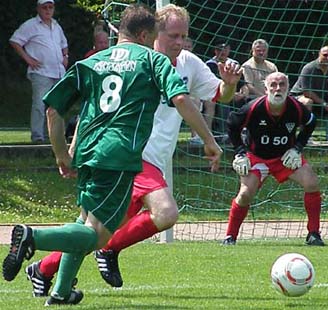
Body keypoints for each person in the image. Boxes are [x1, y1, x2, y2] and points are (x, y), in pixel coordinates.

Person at [2, 4, 223, 306]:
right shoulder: (152, 60)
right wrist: (209, 140)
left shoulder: (93, 61)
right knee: (99, 238)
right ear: (145, 34)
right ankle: (32, 237)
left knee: (85, 221)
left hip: (88, 150)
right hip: (119, 155)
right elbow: (182, 99)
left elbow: (53, 109)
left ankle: (61, 291)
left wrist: (62, 154)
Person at [222, 72, 324, 247]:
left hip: (284, 158)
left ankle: (313, 234)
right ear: (266, 88)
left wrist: (297, 148)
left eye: (282, 84)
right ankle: (230, 237)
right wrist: (239, 152)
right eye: (274, 85)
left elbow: (311, 123)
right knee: (245, 194)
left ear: (288, 87)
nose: (278, 88)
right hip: (256, 157)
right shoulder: (253, 108)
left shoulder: (296, 108)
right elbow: (232, 124)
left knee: (312, 182)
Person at [9, 0, 68, 143]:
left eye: (50, 7)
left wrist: (65, 57)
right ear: (38, 9)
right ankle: (38, 137)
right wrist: (28, 59)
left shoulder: (56, 25)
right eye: (44, 7)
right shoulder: (30, 25)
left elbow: (64, 44)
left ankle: (54, 136)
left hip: (58, 72)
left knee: (57, 106)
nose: (48, 10)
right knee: (39, 105)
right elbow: (15, 41)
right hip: (41, 72)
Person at [65, 31, 110, 140]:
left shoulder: (112, 56)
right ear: (94, 43)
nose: (103, 45)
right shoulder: (90, 57)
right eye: (100, 43)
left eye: (105, 43)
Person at [200, 40, 247, 143]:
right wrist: (230, 93)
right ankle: (224, 134)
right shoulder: (210, 65)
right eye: (220, 49)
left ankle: (245, 132)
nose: (223, 51)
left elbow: (243, 84)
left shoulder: (234, 64)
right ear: (215, 51)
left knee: (249, 101)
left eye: (225, 48)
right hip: (217, 94)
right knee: (223, 103)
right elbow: (210, 86)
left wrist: (243, 93)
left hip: (235, 93)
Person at [290, 45, 328, 140]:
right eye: (325, 55)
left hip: (321, 100)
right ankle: (305, 137)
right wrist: (324, 103)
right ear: (319, 55)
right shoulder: (309, 68)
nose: (327, 58)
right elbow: (307, 92)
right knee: (308, 102)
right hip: (298, 97)